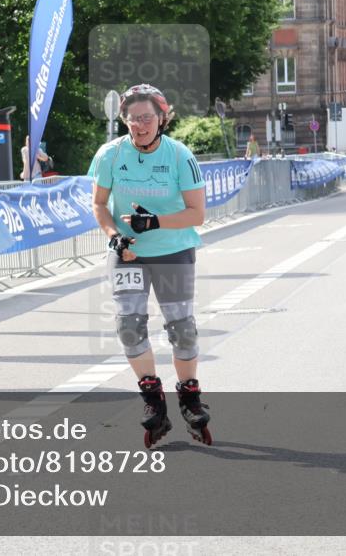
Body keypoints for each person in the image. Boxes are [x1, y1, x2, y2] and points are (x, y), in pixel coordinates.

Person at [89, 83, 210, 448]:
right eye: (132, 118)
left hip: (173, 250)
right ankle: (152, 396)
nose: (139, 125)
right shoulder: (110, 155)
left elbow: (197, 214)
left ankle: (189, 396)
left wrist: (154, 221)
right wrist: (115, 236)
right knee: (128, 325)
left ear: (162, 118)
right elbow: (99, 205)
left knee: (182, 328)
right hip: (129, 253)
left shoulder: (179, 155)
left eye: (146, 118)